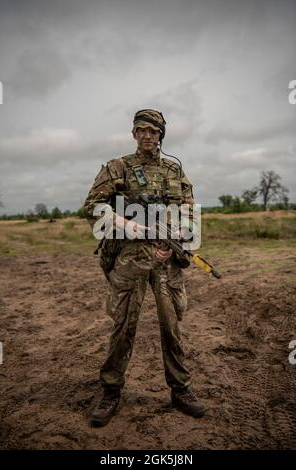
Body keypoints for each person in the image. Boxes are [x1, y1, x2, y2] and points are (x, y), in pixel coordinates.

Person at [83, 109, 205, 426]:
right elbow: (92, 207)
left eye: (153, 130)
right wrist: (126, 225)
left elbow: (189, 210)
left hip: (166, 263)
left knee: (172, 326)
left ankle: (181, 391)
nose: (147, 135)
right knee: (123, 326)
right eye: (141, 130)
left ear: (161, 134)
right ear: (134, 134)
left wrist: (179, 239)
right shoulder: (118, 167)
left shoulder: (174, 169)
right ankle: (110, 392)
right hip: (131, 258)